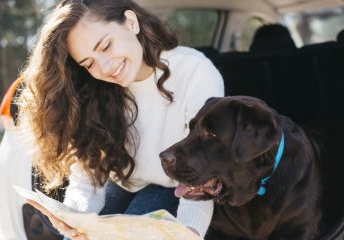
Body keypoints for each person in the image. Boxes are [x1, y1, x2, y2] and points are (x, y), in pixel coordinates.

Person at [17, 0, 224, 239]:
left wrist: (191, 232)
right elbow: (87, 181)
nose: (104, 67)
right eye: (89, 63)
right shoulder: (94, 89)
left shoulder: (195, 73)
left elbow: (204, 172)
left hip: (178, 188)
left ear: (131, 22)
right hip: (126, 183)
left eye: (105, 46)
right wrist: (72, 221)